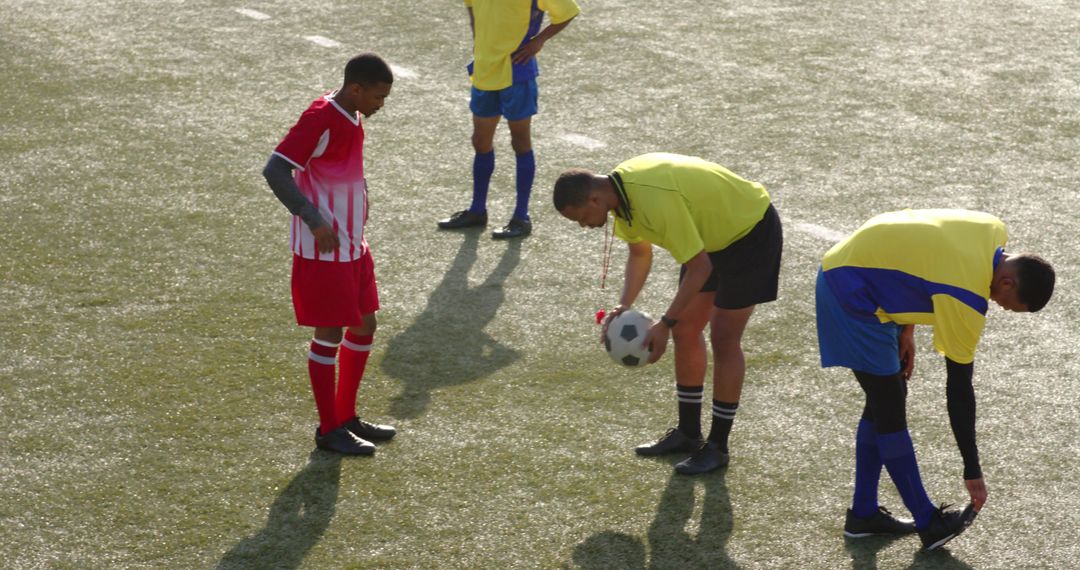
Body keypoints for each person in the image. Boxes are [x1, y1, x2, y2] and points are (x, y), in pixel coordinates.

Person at [815, 209, 1054, 550]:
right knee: (889, 407)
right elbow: (959, 390)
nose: (999, 306)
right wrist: (972, 469)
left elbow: (922, 258)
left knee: (886, 398)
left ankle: (864, 513)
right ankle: (928, 522)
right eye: (1007, 304)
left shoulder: (992, 229)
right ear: (1007, 283)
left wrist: (906, 327)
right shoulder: (966, 295)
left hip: (859, 271)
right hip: (849, 289)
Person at [553, 153, 783, 475]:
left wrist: (665, 322)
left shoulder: (650, 198)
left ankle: (718, 447)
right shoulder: (620, 199)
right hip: (711, 238)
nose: (584, 225)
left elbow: (700, 267)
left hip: (749, 230)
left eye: (581, 218)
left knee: (724, 337)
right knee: (686, 329)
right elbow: (639, 253)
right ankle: (688, 433)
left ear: (594, 199)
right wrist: (624, 305)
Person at [261, 53, 398, 455]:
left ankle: (345, 416)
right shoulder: (320, 118)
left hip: (353, 245)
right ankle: (328, 429)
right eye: (378, 96)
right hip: (325, 250)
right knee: (330, 333)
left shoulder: (352, 114)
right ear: (356, 89)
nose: (381, 104)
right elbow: (275, 170)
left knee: (365, 324)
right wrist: (313, 219)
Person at [438, 0, 580, 239]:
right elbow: (470, 4)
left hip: (517, 71)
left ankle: (521, 216)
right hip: (484, 69)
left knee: (520, 142)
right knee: (480, 142)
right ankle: (477, 211)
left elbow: (568, 11)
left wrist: (539, 41)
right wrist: (476, 34)